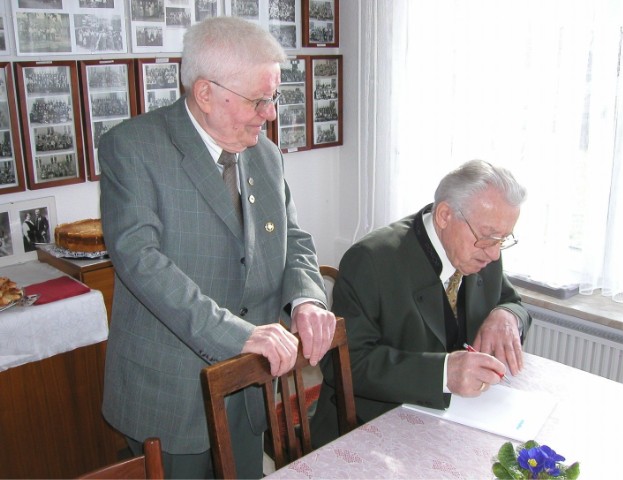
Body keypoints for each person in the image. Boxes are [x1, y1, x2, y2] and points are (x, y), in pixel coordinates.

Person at [98, 16, 336, 479]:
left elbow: (293, 237)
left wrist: (306, 298)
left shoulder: (264, 154)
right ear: (205, 93)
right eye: (258, 100)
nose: (270, 113)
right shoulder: (133, 148)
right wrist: (236, 334)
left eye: (273, 97)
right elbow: (142, 264)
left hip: (247, 388)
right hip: (172, 395)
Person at [311, 159, 532, 447]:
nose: (494, 254)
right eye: (489, 237)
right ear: (444, 215)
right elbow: (345, 364)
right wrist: (444, 373)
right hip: (370, 426)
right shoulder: (372, 261)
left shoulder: (483, 249)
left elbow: (511, 301)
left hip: (454, 419)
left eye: (502, 239)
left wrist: (506, 315)